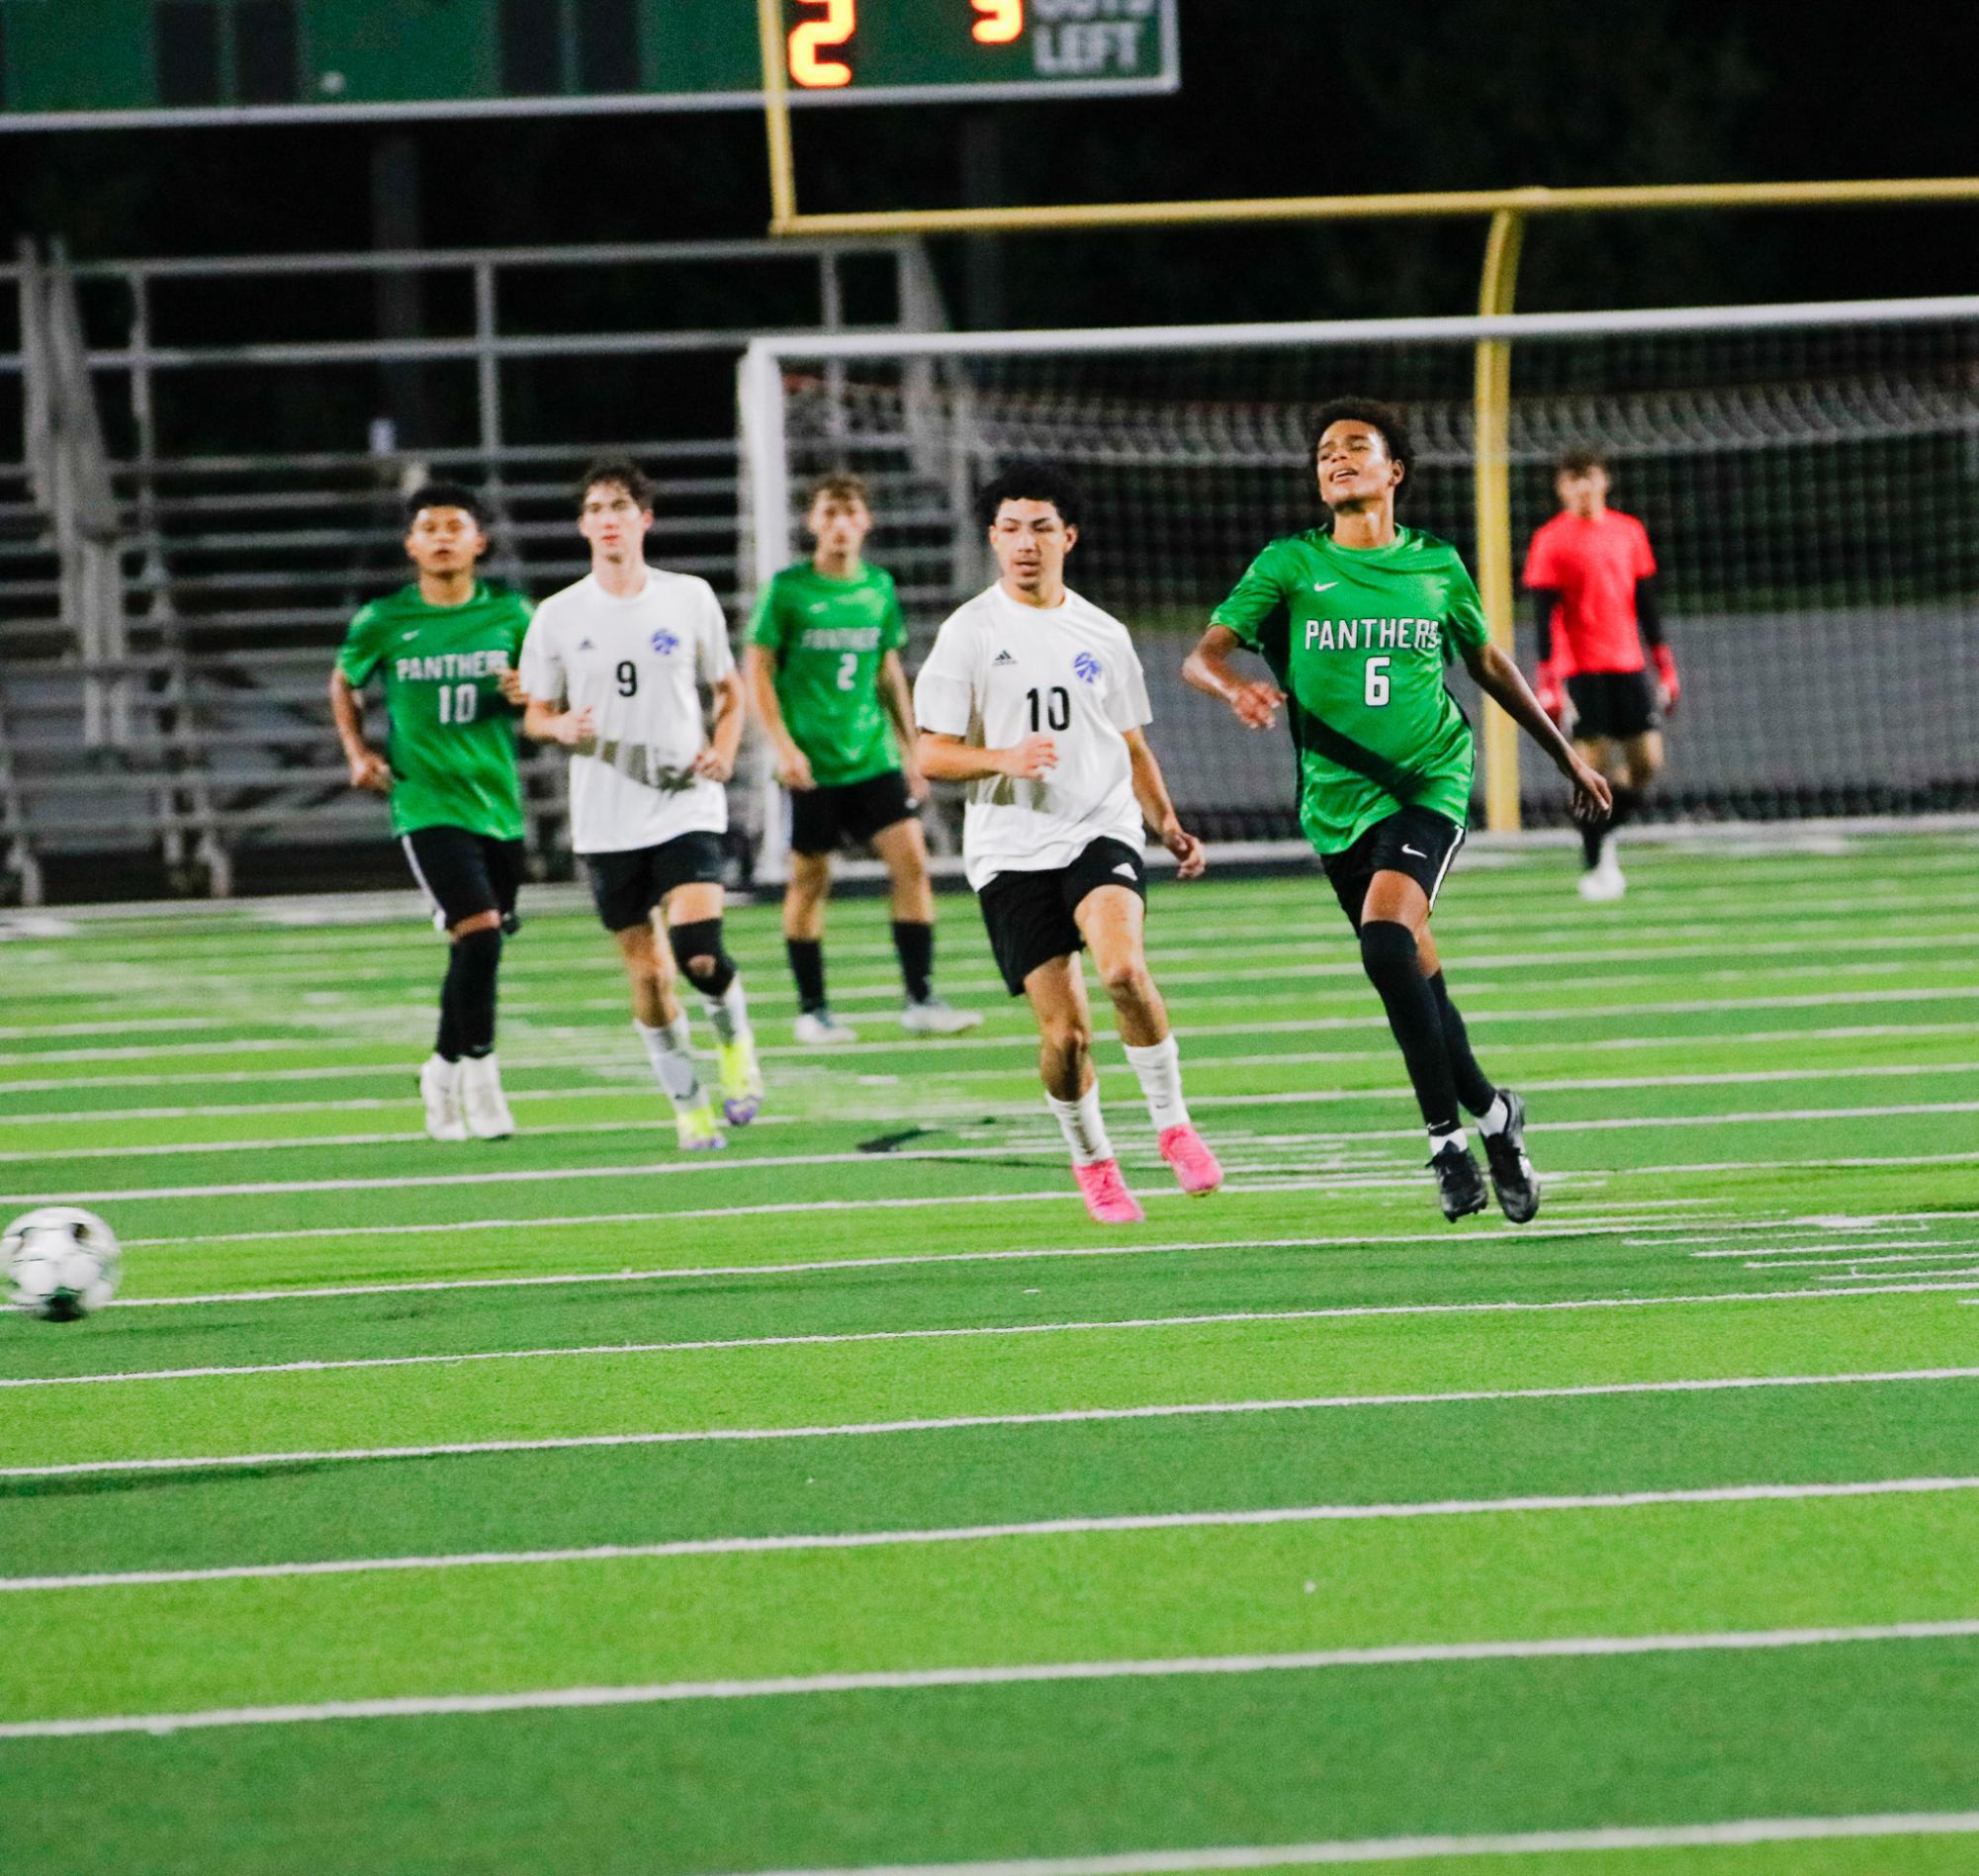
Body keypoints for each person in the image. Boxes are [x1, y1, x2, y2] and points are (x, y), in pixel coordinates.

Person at [1184, 399, 1611, 1223]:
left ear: (1394, 472)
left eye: (1355, 447)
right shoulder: (1287, 565)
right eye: (1324, 453)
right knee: (1415, 976)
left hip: (1428, 781)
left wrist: (1562, 751)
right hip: (1336, 799)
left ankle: (1445, 1140)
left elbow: (1487, 661)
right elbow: (1200, 654)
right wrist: (1234, 685)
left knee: (1384, 942)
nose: (1336, 459)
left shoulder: (1435, 566)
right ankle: (1496, 1115)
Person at [914, 462, 1221, 1225]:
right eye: (1010, 528)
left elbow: (1132, 744)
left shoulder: (1102, 632)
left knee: (1123, 969)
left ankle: (1173, 1124)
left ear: (1068, 537)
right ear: (991, 538)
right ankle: (1093, 1160)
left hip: (1097, 826)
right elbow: (929, 753)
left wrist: (1166, 821)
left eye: (1040, 527)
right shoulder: (967, 634)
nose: (1025, 542)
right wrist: (1001, 759)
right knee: (1067, 1036)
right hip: (1009, 851)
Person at [515, 456, 763, 1152]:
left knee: (699, 953)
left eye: (619, 506)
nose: (607, 520)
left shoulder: (688, 597)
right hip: (605, 814)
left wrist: (723, 746)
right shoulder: (558, 615)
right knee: (648, 974)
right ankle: (688, 1105)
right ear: (582, 525)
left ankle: (737, 1050)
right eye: (594, 509)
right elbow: (535, 711)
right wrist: (557, 725)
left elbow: (730, 691)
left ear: (644, 519)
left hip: (684, 801)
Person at [745, 472, 982, 1044]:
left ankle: (920, 997)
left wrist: (912, 746)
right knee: (810, 878)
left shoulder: (878, 587)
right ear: (813, 524)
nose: (839, 525)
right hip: (814, 761)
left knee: (913, 864)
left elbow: (886, 669)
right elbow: (757, 668)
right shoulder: (788, 589)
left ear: (865, 522)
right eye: (828, 513)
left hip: (871, 754)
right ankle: (813, 1009)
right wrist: (783, 746)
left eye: (849, 513)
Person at [330, 482, 533, 1144]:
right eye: (430, 527)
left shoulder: (513, 614)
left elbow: (543, 698)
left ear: (479, 541)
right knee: (477, 933)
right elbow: (345, 678)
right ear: (411, 544)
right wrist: (357, 751)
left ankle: (441, 1070)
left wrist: (528, 693)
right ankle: (482, 1078)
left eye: (455, 525)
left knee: (480, 946)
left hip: (496, 804)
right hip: (425, 800)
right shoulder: (384, 618)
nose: (443, 536)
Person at [1524, 449, 1680, 902]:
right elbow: (1543, 615)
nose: (1582, 487)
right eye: (1573, 480)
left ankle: (1602, 834)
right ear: (1561, 488)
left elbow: (1646, 603)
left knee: (1647, 763)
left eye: (1589, 477)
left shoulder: (1629, 532)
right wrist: (1548, 679)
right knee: (1592, 771)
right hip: (1581, 669)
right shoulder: (1551, 540)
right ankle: (1595, 863)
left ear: (1604, 481)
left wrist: (1665, 666)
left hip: (1628, 664)